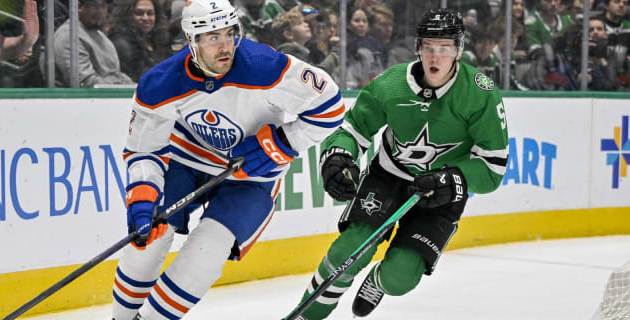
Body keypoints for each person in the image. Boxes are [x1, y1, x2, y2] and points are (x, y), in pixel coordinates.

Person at [110, 0, 345, 319]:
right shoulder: (160, 83)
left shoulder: (265, 66)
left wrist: (280, 144)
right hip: (186, 160)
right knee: (147, 242)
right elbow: (144, 150)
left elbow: (330, 105)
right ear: (191, 41)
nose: (224, 46)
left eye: (229, 33)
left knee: (206, 252)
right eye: (212, 37)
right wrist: (141, 198)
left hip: (250, 176)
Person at [288, 8, 509, 319]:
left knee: (401, 277)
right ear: (418, 47)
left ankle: (379, 281)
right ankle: (305, 316)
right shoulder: (391, 84)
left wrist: (452, 179)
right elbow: (353, 129)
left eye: (445, 48)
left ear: (459, 50)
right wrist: (337, 155)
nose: (435, 57)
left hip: (441, 193)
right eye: (429, 46)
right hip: (389, 177)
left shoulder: (479, 93)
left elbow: (493, 168)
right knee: (347, 251)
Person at [44, 0, 134, 87]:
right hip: (80, 101)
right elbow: (84, 83)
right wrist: (121, 84)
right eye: (94, 6)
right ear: (79, 7)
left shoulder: (101, 36)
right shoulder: (69, 36)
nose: (100, 11)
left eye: (103, 5)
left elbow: (117, 74)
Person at [107, 0, 172, 82]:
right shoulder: (121, 41)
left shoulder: (157, 38)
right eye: (139, 13)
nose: (145, 18)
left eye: (150, 13)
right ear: (127, 15)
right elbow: (140, 76)